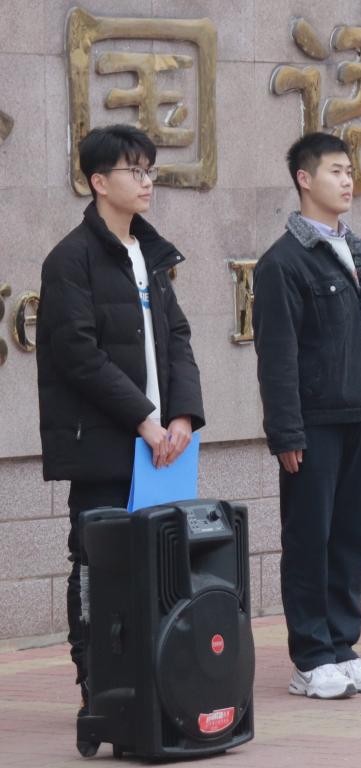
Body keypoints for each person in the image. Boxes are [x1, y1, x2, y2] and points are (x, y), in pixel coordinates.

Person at [36, 124, 204, 713]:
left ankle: (156, 686)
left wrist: (182, 416)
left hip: (162, 447)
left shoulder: (149, 254)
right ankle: (99, 689)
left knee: (161, 567)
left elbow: (177, 337)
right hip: (106, 446)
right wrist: (144, 420)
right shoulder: (70, 260)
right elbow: (79, 355)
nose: (147, 181)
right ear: (99, 182)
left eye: (150, 170)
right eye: (135, 171)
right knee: (97, 567)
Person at [253, 132, 361, 699]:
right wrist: (286, 430)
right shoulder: (283, 262)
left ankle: (342, 647)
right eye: (335, 171)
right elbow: (278, 356)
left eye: (349, 171)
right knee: (310, 540)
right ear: (304, 179)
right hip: (313, 425)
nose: (347, 181)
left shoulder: (357, 252)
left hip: (360, 418)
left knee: (350, 539)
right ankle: (311, 657)